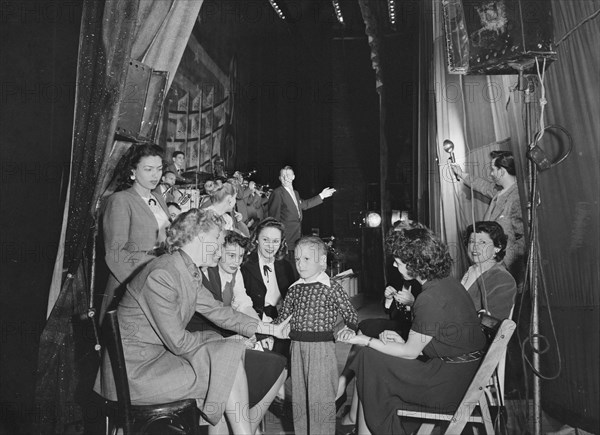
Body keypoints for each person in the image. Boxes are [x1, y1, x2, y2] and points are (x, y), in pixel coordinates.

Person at [94, 209, 291, 435]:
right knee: (227, 359)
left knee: (228, 357)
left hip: (158, 361)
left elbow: (219, 311)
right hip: (135, 375)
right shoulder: (163, 274)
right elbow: (178, 342)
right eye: (217, 241)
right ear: (200, 238)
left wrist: (271, 329)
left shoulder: (186, 270)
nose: (220, 250)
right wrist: (219, 343)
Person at [338, 226, 487, 435]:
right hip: (458, 373)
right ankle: (364, 426)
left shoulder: (430, 298)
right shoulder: (444, 283)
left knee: (369, 357)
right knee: (371, 358)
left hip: (448, 385)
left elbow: (411, 352)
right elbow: (434, 339)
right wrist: (400, 340)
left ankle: (371, 427)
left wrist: (365, 341)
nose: (394, 264)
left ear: (415, 264)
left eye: (398, 262)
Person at [185, 230, 288, 415]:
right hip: (205, 341)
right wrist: (238, 338)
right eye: (231, 255)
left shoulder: (234, 272)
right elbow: (216, 316)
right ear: (218, 251)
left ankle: (247, 421)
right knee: (270, 366)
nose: (236, 262)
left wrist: (260, 333)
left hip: (223, 335)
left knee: (277, 364)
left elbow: (244, 304)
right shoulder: (203, 273)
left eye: (240, 256)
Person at [272, 236, 358, 435]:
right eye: (298, 259)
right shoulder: (294, 289)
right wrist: (263, 333)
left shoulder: (331, 287)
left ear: (322, 262)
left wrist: (349, 328)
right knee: (300, 398)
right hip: (297, 349)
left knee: (321, 399)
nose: (300, 264)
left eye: (306, 259)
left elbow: (350, 314)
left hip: (321, 349)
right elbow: (282, 319)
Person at [99, 143, 170, 322]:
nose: (156, 175)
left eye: (159, 169)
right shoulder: (120, 200)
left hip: (159, 280)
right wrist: (152, 267)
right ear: (133, 171)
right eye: (148, 169)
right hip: (130, 285)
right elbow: (115, 254)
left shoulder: (159, 199)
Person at [451, 150, 525, 279]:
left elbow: (524, 239)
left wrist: (502, 261)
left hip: (507, 271)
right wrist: (462, 174)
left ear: (501, 171)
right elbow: (483, 186)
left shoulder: (517, 197)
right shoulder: (500, 192)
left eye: (493, 169)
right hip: (491, 266)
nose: (491, 174)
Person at [267, 165, 336, 254]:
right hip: (286, 240)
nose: (285, 178)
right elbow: (273, 220)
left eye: (288, 175)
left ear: (293, 177)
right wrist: (277, 241)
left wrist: (322, 195)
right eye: (283, 176)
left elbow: (305, 205)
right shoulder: (277, 193)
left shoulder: (295, 193)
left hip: (297, 237)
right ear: (279, 178)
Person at [462, 221, 517, 320]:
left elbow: (493, 322)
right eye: (471, 241)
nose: (475, 247)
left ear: (497, 247)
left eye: (482, 242)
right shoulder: (471, 271)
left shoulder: (502, 278)